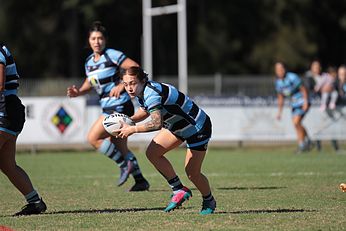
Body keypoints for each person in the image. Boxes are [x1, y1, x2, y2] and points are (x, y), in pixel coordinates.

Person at [114, 66, 216, 215]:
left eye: (133, 83)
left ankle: (209, 200)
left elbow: (156, 123)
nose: (129, 88)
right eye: (126, 84)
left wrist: (132, 129)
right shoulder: (143, 91)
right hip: (177, 126)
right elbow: (145, 110)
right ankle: (179, 189)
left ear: (143, 80)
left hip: (197, 127)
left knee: (192, 173)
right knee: (153, 153)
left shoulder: (151, 93)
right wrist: (129, 120)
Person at [67, 21, 149, 191]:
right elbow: (91, 82)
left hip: (120, 106)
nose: (97, 42)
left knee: (93, 138)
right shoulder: (89, 62)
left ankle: (124, 166)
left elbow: (135, 67)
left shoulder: (111, 54)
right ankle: (141, 181)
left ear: (105, 40)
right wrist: (79, 91)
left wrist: (122, 85)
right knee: (121, 147)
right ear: (89, 41)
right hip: (108, 107)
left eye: (100, 38)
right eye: (93, 38)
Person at [0, 43, 47, 216]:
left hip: (5, 111)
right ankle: (35, 202)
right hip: (10, 112)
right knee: (7, 165)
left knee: (8, 165)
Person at [275, 61, 312, 153]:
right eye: (277, 69)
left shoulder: (292, 77)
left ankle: (303, 144)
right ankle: (305, 142)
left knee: (296, 122)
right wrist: (279, 112)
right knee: (296, 124)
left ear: (284, 69)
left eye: (281, 69)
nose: (280, 71)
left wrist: (306, 102)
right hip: (294, 104)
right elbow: (280, 98)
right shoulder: (278, 82)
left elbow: (303, 89)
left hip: (302, 101)